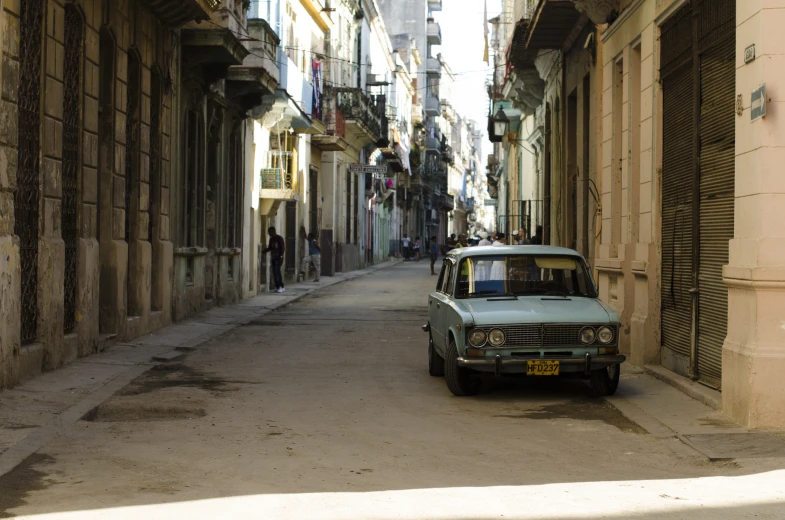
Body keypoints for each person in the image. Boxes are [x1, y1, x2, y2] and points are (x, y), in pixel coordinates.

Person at [262, 226, 286, 293]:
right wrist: (264, 251)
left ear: (273, 231)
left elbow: (283, 248)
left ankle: (281, 286)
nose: (269, 234)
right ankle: (277, 286)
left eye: (270, 232)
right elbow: (270, 248)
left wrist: (281, 256)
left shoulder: (279, 238)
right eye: (268, 232)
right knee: (274, 273)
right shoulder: (271, 239)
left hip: (279, 258)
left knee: (278, 272)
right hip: (273, 257)